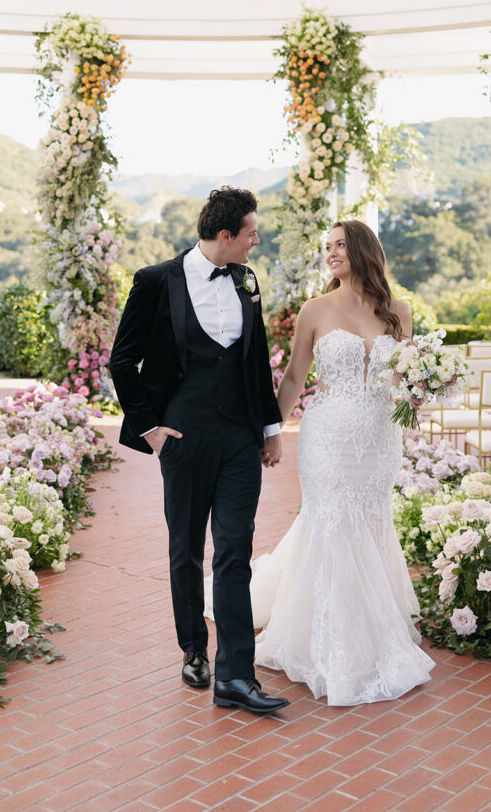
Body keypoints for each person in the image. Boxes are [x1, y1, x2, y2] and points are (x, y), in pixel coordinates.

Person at [110, 186, 290, 716]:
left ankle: (236, 675)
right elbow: (123, 361)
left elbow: (255, 359)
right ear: (225, 235)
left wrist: (270, 427)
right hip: (183, 437)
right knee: (186, 548)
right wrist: (151, 430)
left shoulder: (247, 281)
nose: (257, 242)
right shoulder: (154, 281)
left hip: (239, 439)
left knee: (236, 550)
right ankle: (194, 648)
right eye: (252, 233)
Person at [247, 220, 435, 705]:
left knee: (369, 522)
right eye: (326, 246)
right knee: (332, 523)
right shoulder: (315, 309)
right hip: (328, 438)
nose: (330, 253)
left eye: (339, 245)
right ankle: (335, 643)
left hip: (379, 441)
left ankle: (371, 621)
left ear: (363, 249)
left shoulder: (399, 311)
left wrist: (421, 391)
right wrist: (272, 432)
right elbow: (293, 377)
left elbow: (402, 380)